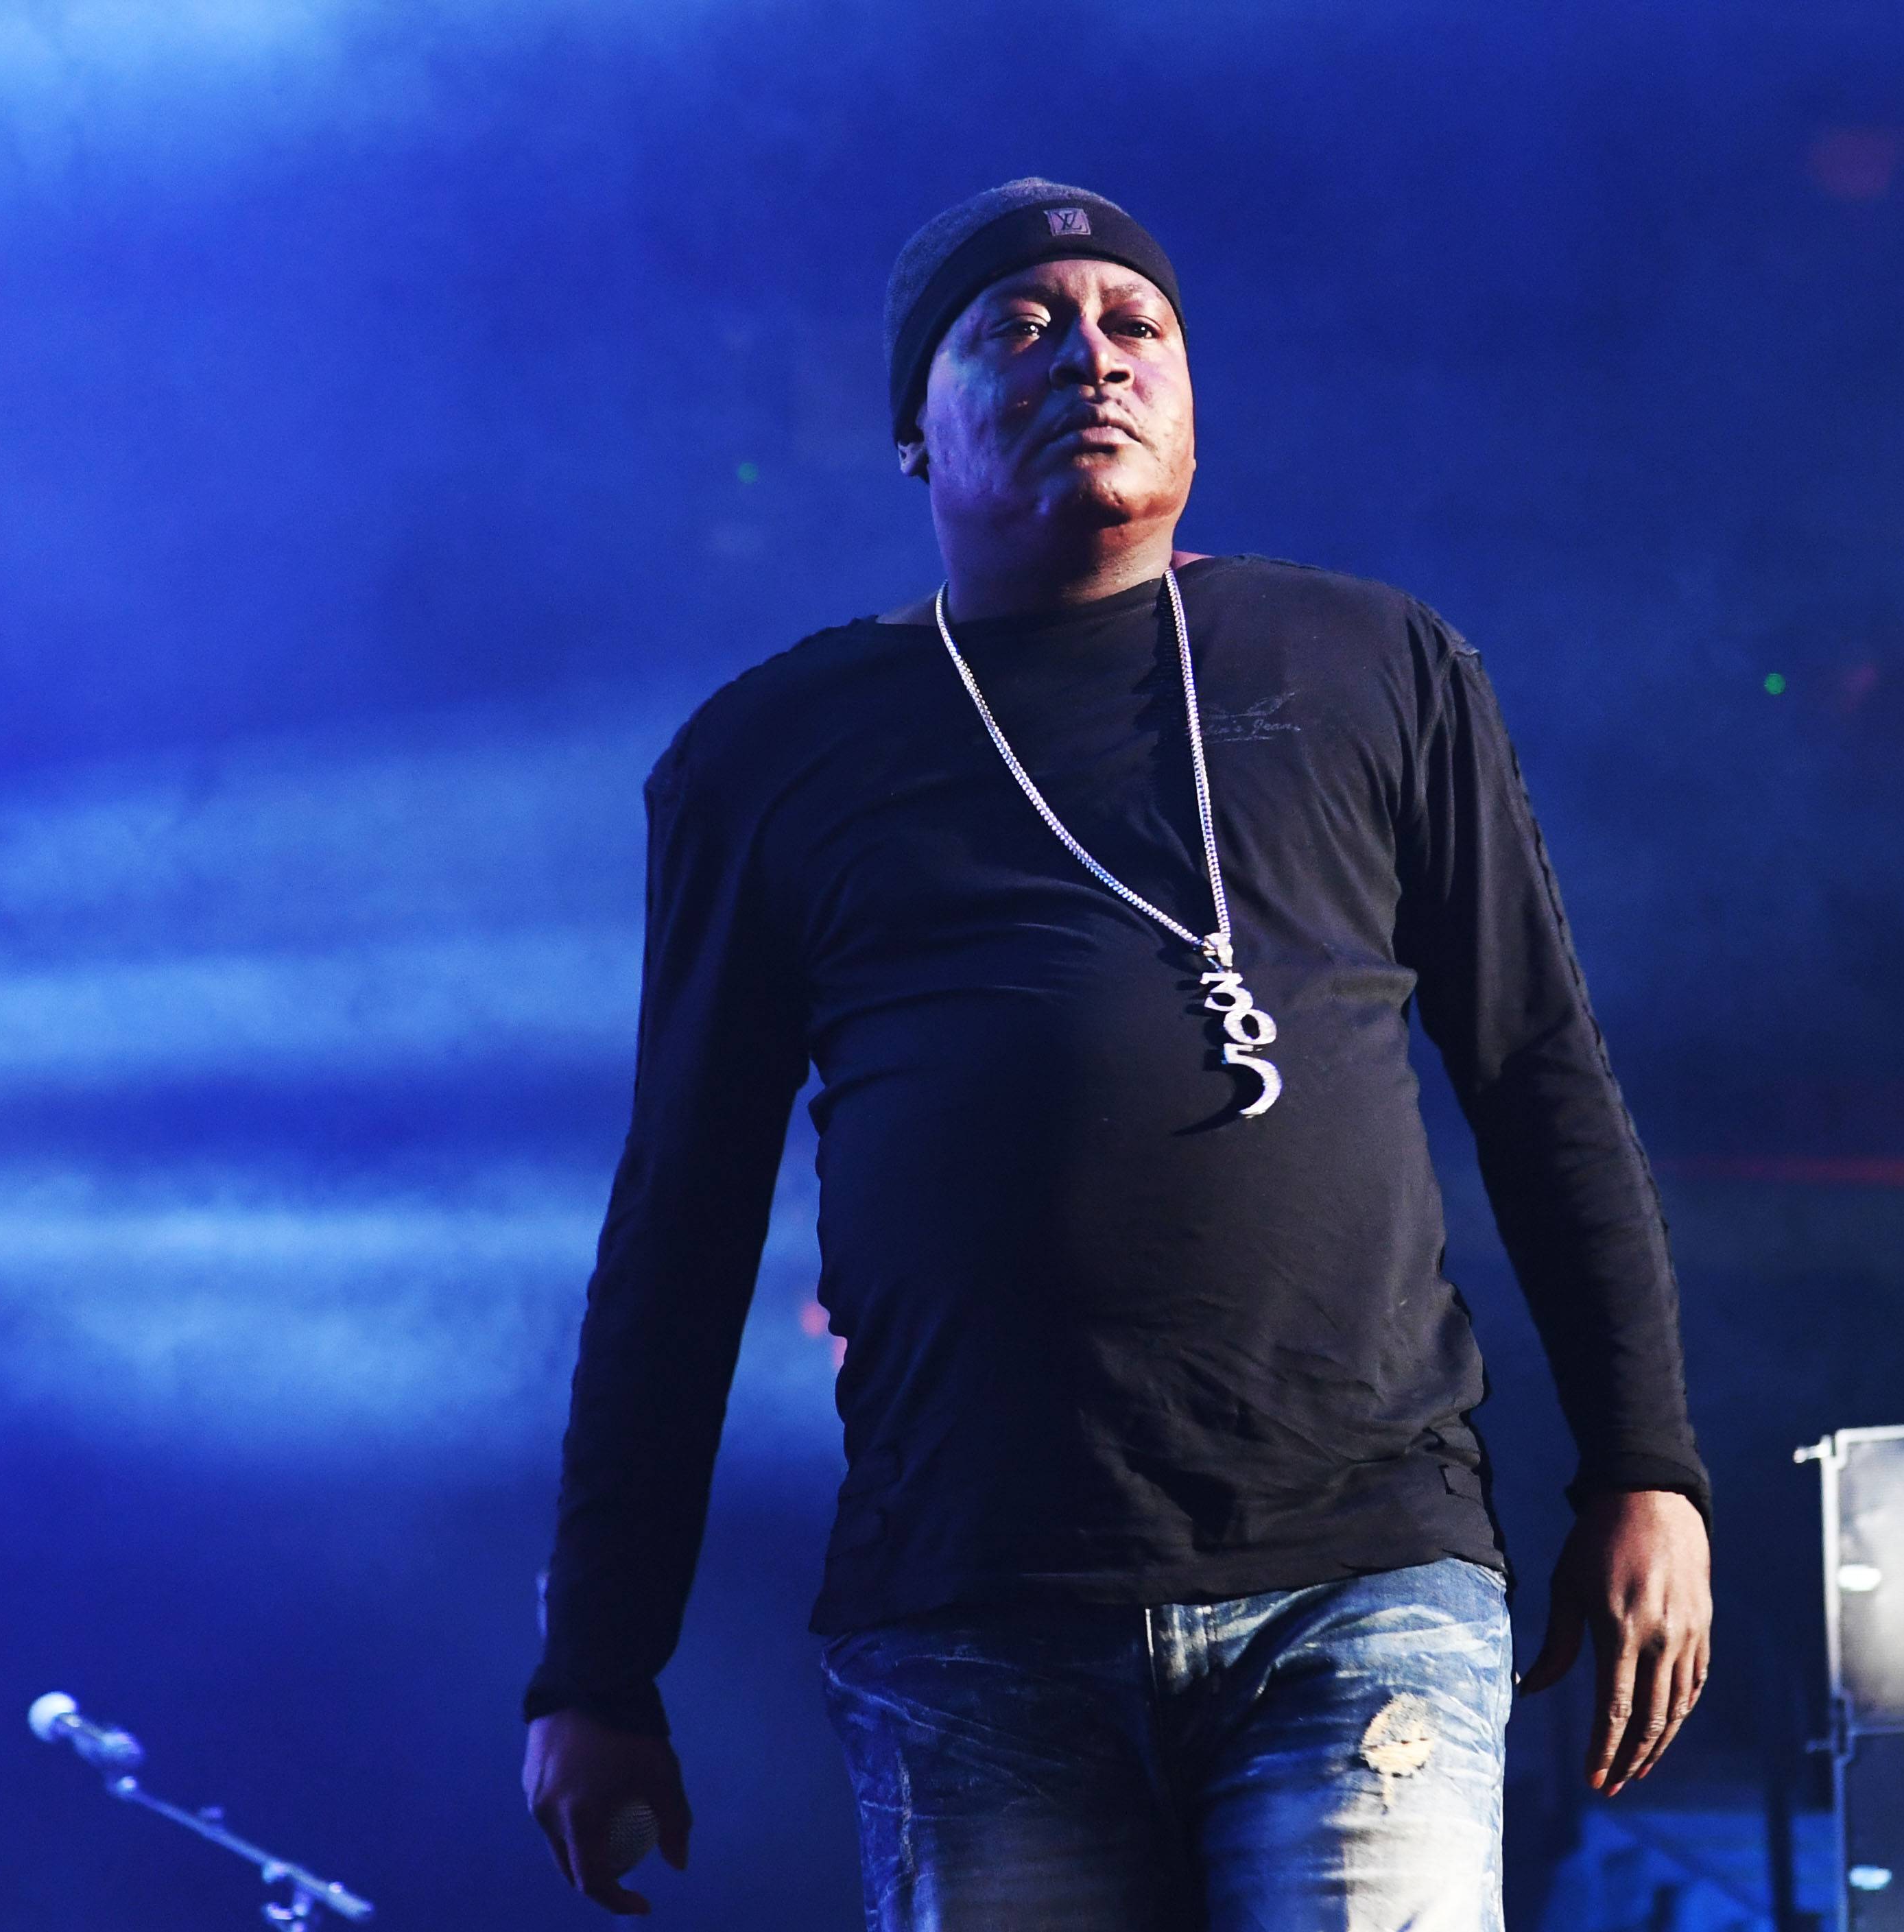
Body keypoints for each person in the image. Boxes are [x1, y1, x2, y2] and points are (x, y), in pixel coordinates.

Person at [521, 178, 1711, 1931]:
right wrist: (597, 1661)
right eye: (1016, 326)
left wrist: (1645, 1463)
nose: (1088, 354)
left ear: (1193, 403)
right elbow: (678, 1225)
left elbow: (1538, 1074)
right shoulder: (768, 754)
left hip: (1360, 1568)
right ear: (911, 433)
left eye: (1131, 323)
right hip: (971, 1605)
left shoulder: (1375, 663)